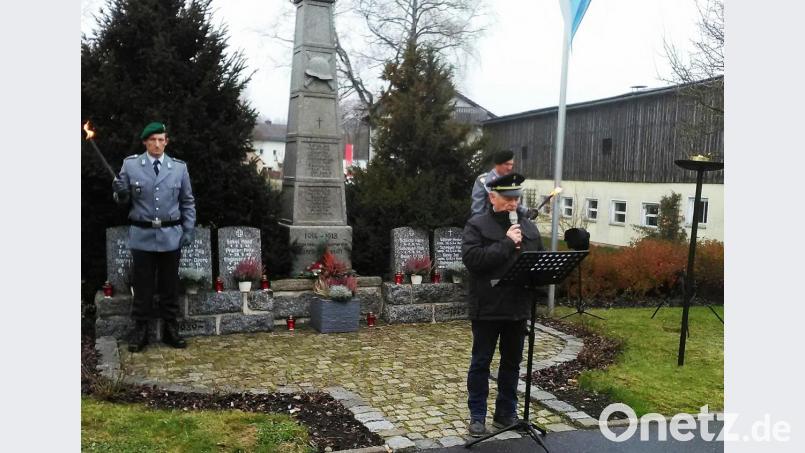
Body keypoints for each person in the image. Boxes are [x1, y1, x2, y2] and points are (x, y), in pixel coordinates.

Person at [461, 172, 545, 437]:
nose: (512, 203)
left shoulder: (528, 227)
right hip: (487, 306)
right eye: (507, 198)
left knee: (511, 363)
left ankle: (506, 412)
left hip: (517, 307)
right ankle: (477, 415)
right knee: (481, 362)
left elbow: (539, 262)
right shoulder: (477, 225)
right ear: (492, 197)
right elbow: (474, 260)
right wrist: (508, 242)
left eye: (516, 198)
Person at [112, 122, 196, 352]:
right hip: (142, 235)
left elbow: (187, 201)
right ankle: (141, 331)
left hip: (171, 236)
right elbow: (122, 199)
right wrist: (119, 193)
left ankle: (171, 329)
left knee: (170, 286)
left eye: (161, 140)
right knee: (143, 286)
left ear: (166, 142)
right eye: (152, 140)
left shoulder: (178, 168)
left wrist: (188, 229)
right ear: (145, 142)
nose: (157, 144)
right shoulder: (131, 166)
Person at [470, 149, 535, 219]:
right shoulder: (483, 181)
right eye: (506, 164)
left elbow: (512, 202)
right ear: (497, 164)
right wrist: (479, 226)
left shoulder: (511, 180)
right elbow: (477, 210)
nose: (509, 168)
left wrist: (527, 212)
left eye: (511, 165)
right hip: (489, 223)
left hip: (509, 221)